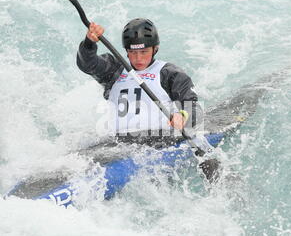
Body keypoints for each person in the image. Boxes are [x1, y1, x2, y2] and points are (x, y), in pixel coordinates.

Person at [77, 18, 219, 181]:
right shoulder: (113, 70)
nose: (138, 59)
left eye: (144, 52)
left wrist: (183, 116)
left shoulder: (169, 74)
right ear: (126, 51)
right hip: (116, 146)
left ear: (155, 49)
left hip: (158, 142)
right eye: (133, 52)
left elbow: (194, 110)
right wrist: (89, 43)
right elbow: (86, 63)